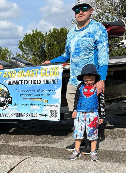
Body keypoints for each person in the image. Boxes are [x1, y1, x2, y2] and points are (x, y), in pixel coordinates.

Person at [42, 0, 109, 154]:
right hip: (74, 81)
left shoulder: (98, 28)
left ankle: (90, 143)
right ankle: (80, 140)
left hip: (91, 82)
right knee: (76, 113)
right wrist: (51, 61)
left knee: (91, 113)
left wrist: (102, 79)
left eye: (84, 8)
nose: (80, 12)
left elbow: (104, 55)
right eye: (77, 9)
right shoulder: (71, 32)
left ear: (91, 10)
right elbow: (67, 55)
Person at [69, 64, 105, 161]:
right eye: (86, 80)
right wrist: (75, 110)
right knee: (78, 133)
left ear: (95, 78)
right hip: (80, 113)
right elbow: (76, 99)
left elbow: (101, 102)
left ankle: (93, 151)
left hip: (93, 114)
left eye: (91, 80)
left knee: (93, 133)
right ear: (83, 79)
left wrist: (102, 116)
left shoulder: (97, 87)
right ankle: (77, 150)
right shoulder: (80, 86)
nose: (88, 82)